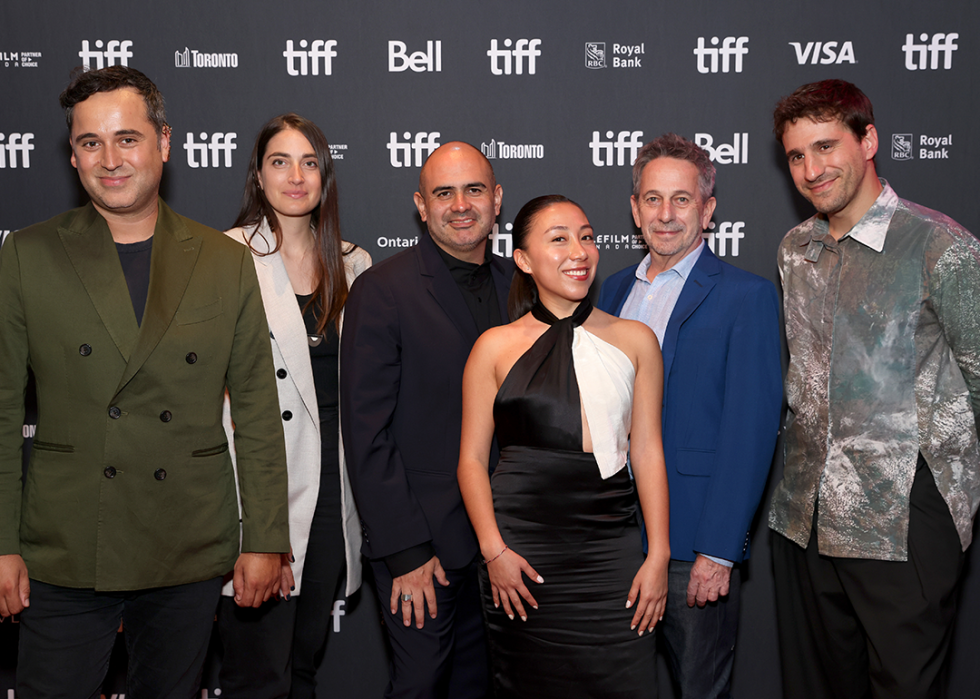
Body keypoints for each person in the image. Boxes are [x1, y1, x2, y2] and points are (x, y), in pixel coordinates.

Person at [0, 66, 289, 698]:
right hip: (66, 543)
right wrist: (0, 543)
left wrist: (267, 537)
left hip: (184, 537)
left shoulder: (224, 260)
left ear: (164, 142)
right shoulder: (26, 254)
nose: (110, 160)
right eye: (90, 142)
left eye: (127, 139)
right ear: (72, 155)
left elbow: (259, 411)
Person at [768, 79, 980, 699]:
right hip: (804, 515)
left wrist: (950, 504)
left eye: (827, 146)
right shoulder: (795, 249)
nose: (812, 169)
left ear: (869, 141)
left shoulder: (940, 244)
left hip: (903, 518)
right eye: (797, 155)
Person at [458, 195, 670, 698]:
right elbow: (469, 461)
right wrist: (494, 553)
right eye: (559, 239)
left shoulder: (636, 340)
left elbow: (647, 452)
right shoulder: (493, 346)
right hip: (522, 555)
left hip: (610, 551)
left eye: (587, 236)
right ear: (524, 260)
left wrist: (658, 553)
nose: (579, 250)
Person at [597, 133, 782, 699]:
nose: (666, 214)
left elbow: (749, 432)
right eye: (652, 199)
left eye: (682, 200)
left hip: (692, 543)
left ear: (708, 208)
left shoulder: (745, 296)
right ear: (634, 209)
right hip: (610, 538)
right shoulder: (609, 290)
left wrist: (719, 550)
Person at [340, 141, 513, 698]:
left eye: (474, 190)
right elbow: (366, 432)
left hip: (510, 545)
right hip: (425, 546)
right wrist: (406, 553)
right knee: (421, 686)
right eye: (444, 193)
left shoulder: (526, 287)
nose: (460, 204)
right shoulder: (382, 290)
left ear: (497, 199)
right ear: (421, 204)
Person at [217, 113, 371, 698]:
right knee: (257, 672)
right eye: (280, 162)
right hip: (254, 483)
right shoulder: (222, 257)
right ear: (258, 176)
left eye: (309, 162)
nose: (296, 176)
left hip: (333, 486)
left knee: (302, 662)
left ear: (324, 177)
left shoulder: (354, 264)